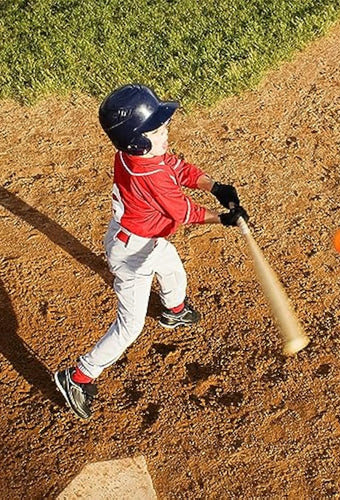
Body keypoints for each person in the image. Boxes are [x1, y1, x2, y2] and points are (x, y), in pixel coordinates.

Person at [54, 84, 248, 419]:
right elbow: (183, 213)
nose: (166, 132)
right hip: (133, 255)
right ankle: (78, 376)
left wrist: (215, 187)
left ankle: (174, 309)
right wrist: (224, 218)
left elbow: (175, 165)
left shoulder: (134, 156)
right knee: (129, 327)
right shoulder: (150, 174)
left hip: (143, 238)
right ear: (137, 141)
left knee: (173, 269)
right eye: (157, 130)